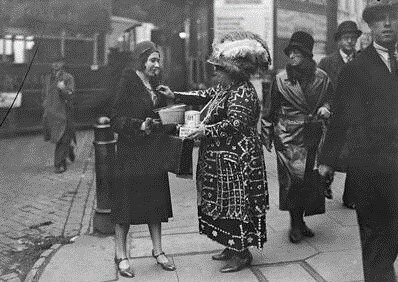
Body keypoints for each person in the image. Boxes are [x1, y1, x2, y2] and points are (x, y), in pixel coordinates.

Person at [158, 31, 271, 273]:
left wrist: (204, 131)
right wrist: (174, 95)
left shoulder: (243, 91)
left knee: (236, 206)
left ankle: (242, 253)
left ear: (231, 71)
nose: (215, 73)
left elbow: (236, 124)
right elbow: (202, 96)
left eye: (219, 69)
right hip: (220, 160)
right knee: (221, 204)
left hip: (237, 162)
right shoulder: (224, 89)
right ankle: (230, 246)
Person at [318, 1, 398, 281]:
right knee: (377, 241)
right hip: (371, 169)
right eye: (379, 20)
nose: (387, 24)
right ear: (371, 27)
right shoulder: (357, 69)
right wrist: (327, 160)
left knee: (391, 240)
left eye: (393, 18)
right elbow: (340, 118)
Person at [110, 41, 176, 278]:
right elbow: (115, 118)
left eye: (158, 60)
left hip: (153, 152)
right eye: (153, 60)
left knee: (155, 202)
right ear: (142, 61)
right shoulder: (127, 82)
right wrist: (140, 125)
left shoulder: (155, 85)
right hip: (130, 154)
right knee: (125, 206)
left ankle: (158, 251)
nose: (157, 65)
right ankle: (121, 255)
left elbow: (156, 114)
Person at [261, 31, 334, 244]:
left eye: (297, 52)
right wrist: (267, 136)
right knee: (292, 182)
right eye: (290, 52)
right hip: (288, 136)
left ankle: (302, 222)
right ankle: (294, 224)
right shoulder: (281, 80)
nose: (291, 56)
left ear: (307, 55)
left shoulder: (322, 77)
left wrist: (326, 107)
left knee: (310, 181)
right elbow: (269, 110)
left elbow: (332, 100)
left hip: (313, 135)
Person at [318, 21, 362, 209]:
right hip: (333, 115)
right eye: (346, 38)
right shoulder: (327, 62)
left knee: (356, 154)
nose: (350, 41)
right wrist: (324, 106)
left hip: (357, 116)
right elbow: (319, 89)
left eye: (353, 38)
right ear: (339, 41)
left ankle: (350, 196)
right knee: (331, 152)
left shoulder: (362, 60)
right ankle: (324, 184)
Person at [42, 56, 76, 174]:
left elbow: (71, 95)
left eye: (58, 62)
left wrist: (63, 89)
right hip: (51, 112)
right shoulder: (48, 78)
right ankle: (69, 148)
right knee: (58, 137)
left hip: (64, 111)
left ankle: (59, 164)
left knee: (63, 138)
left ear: (63, 63)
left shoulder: (68, 78)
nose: (56, 64)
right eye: (53, 62)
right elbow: (45, 94)